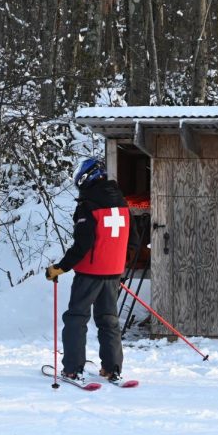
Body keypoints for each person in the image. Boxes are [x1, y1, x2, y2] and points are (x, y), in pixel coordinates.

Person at [46, 157, 137, 384]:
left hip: (90, 273)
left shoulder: (88, 205)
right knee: (108, 320)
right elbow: (133, 241)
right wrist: (119, 265)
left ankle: (72, 369)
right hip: (113, 273)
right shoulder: (122, 203)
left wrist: (61, 267)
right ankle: (112, 368)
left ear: (86, 178)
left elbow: (82, 244)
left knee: (76, 318)